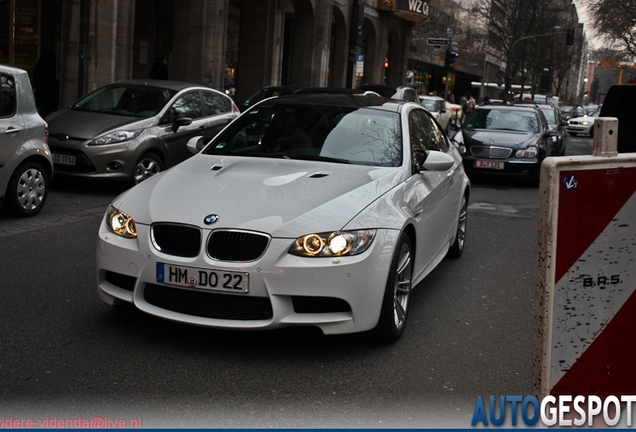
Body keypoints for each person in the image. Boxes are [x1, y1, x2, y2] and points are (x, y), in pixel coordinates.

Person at [33, 48, 60, 117]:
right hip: (48, 91)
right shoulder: (50, 59)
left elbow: (36, 74)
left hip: (45, 91)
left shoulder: (45, 58)